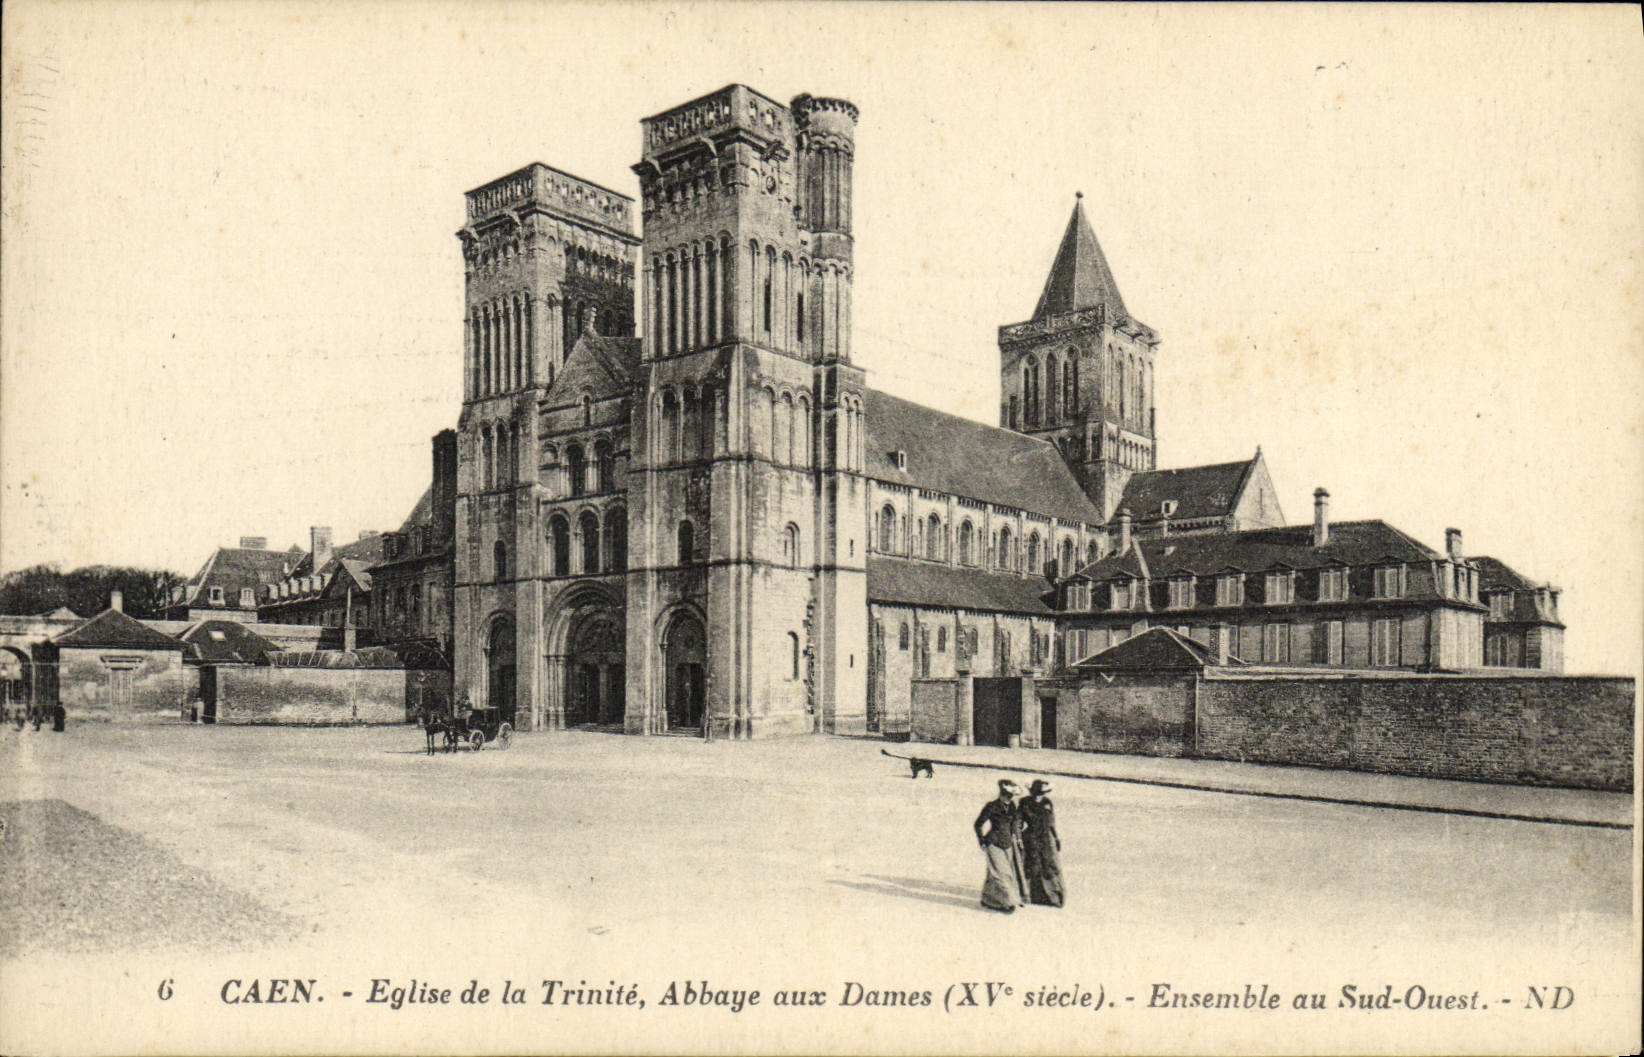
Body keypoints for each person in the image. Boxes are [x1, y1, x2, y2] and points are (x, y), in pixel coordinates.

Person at [973, 778, 1027, 913]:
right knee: (1002, 874)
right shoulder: (991, 806)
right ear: (1002, 793)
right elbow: (978, 824)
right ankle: (1006, 902)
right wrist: (982, 841)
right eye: (1008, 795)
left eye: (1012, 795)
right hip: (993, 843)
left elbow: (1014, 825)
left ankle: (988, 899)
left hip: (1008, 844)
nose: (1010, 797)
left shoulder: (1012, 806)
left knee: (995, 874)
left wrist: (1019, 839)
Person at [1019, 778, 1064, 907]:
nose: (1039, 795)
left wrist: (1056, 838)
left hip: (1046, 838)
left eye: (1041, 793)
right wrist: (1017, 837)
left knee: (1049, 865)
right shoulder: (1025, 803)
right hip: (1031, 837)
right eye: (1037, 792)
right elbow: (1018, 821)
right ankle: (1027, 895)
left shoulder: (1047, 803)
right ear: (1032, 792)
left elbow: (1051, 822)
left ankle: (1052, 896)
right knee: (1031, 865)